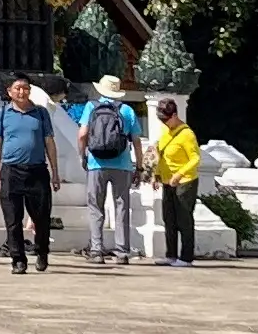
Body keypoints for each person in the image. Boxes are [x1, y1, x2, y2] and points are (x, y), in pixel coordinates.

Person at [0, 75, 60, 275]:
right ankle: (17, 259)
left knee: (41, 217)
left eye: (26, 88)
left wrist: (55, 171)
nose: (22, 92)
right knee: (13, 219)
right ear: (9, 92)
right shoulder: (2, 114)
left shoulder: (40, 113)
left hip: (37, 170)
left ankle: (41, 252)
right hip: (11, 171)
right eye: (18, 88)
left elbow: (49, 142)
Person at [78, 77, 143, 264]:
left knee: (95, 207)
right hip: (122, 165)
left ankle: (97, 250)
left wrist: (82, 155)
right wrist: (138, 167)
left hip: (96, 163)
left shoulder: (91, 107)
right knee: (122, 207)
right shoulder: (127, 110)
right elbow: (137, 142)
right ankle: (122, 252)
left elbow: (82, 135)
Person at [153, 96, 203, 266]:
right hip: (167, 181)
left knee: (184, 219)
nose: (165, 123)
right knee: (169, 218)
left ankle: (186, 257)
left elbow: (195, 158)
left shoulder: (187, 134)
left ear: (174, 115)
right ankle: (171, 254)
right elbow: (161, 155)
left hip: (185, 182)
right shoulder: (165, 132)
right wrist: (157, 175)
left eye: (167, 119)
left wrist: (180, 174)